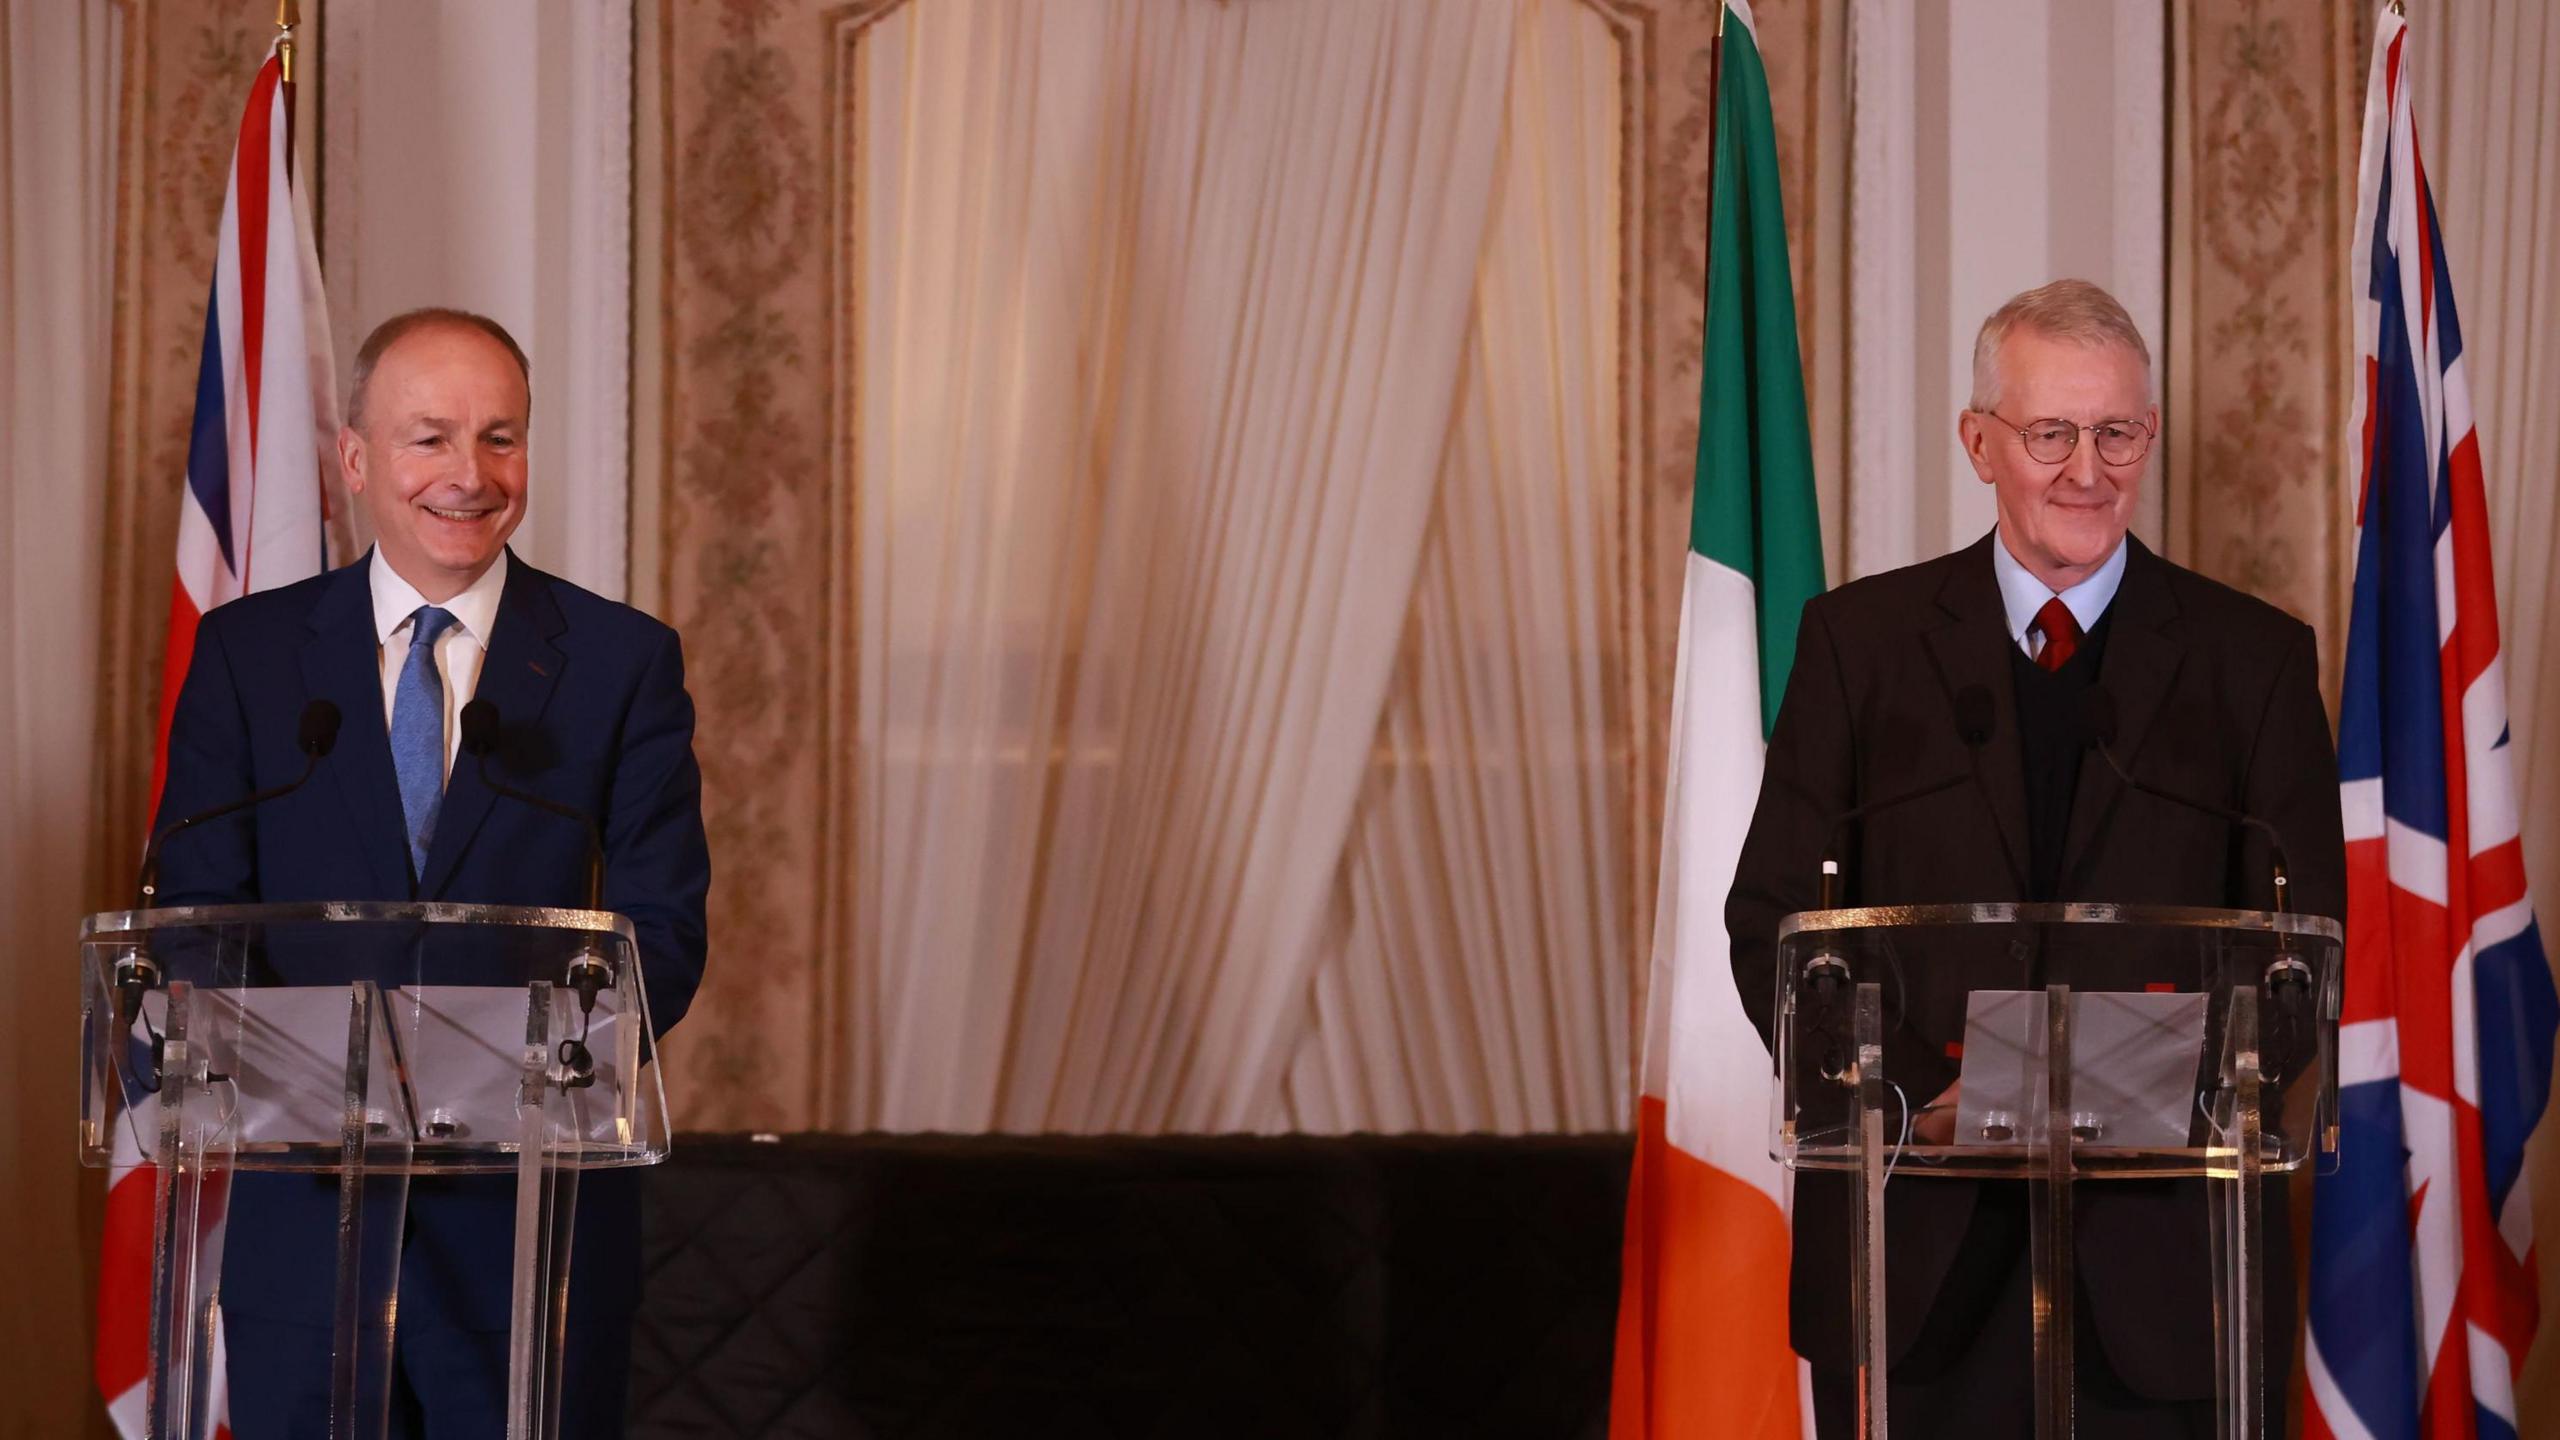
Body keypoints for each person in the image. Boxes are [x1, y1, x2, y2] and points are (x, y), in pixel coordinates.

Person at [1726, 280, 2346, 1436]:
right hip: (1915, 1262)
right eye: (2049, 433)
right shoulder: (1860, 649)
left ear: (2148, 437)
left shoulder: (2251, 663)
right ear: (1978, 442)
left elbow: (2297, 957)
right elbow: (1772, 924)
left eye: (2115, 433)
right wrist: (1921, 1094)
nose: (2085, 471)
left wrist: (2138, 1086)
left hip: (2169, 1278)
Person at [152, 308, 712, 1436]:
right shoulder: (251, 657)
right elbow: (192, 915)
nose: (470, 475)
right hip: (307, 1237)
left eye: (499, 438)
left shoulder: (618, 661)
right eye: (431, 438)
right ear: (356, 460)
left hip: (531, 1243)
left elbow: (661, 927)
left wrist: (496, 1075)